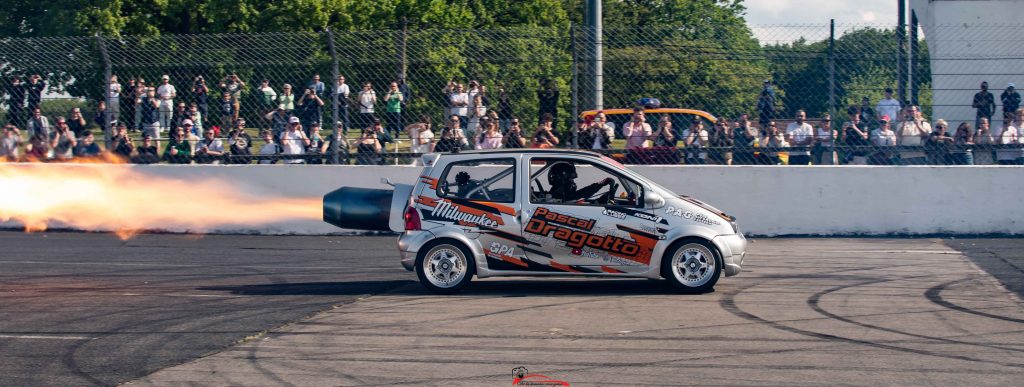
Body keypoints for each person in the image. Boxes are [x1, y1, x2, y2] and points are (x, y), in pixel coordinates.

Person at [547, 162, 614, 203]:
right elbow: (581, 194)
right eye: (570, 179)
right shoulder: (560, 196)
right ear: (561, 179)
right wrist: (601, 184)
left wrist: (597, 201)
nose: (573, 183)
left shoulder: (558, 194)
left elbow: (579, 196)